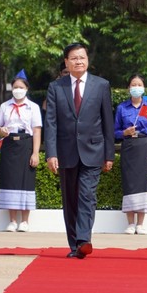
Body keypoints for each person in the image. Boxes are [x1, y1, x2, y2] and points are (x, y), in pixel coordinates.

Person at [44, 42, 115, 259]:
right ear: (66, 62)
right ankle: (74, 244)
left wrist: (109, 154)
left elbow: (107, 122)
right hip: (66, 151)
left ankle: (84, 239)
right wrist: (51, 153)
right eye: (73, 58)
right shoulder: (56, 87)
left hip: (93, 150)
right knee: (70, 199)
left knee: (87, 195)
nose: (78, 61)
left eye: (82, 57)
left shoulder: (101, 85)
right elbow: (51, 122)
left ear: (87, 60)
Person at [0, 70, 42, 232]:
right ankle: (12, 220)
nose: (18, 89)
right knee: (10, 180)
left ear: (26, 89)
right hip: (9, 145)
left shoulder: (33, 107)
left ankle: (25, 221)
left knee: (25, 181)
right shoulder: (4, 106)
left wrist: (35, 153)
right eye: (15, 87)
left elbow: (36, 131)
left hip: (26, 145)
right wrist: (1, 131)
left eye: (21, 87)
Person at [114, 74, 147, 235]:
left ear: (143, 88)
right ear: (129, 88)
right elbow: (114, 132)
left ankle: (140, 223)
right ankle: (130, 223)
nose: (136, 87)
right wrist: (124, 132)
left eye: (139, 84)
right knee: (129, 183)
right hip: (128, 147)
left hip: (144, 147)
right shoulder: (122, 108)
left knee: (142, 183)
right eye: (133, 84)